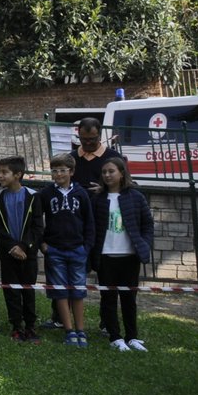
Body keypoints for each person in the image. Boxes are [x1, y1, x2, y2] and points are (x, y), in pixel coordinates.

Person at [90, 157, 153, 352]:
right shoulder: (98, 199)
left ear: (122, 173)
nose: (107, 175)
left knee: (129, 299)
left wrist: (144, 245)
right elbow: (91, 228)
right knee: (108, 298)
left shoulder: (135, 197)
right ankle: (115, 336)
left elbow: (147, 224)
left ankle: (132, 336)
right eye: (104, 172)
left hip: (130, 256)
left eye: (111, 171)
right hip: (106, 256)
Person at [38, 153, 95, 348]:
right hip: (55, 250)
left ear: (71, 172)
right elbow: (38, 221)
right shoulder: (46, 194)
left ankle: (81, 330)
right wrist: (42, 244)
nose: (58, 174)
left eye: (63, 170)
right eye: (55, 170)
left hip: (77, 249)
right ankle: (69, 330)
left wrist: (86, 247)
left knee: (78, 291)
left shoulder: (81, 193)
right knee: (60, 291)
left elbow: (89, 222)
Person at [0, 156, 43, 342]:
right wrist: (12, 247)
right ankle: (16, 326)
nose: (1, 176)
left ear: (18, 174)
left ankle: (30, 326)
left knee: (27, 289)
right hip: (8, 253)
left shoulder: (33, 196)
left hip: (28, 254)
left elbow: (37, 227)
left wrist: (23, 246)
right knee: (11, 290)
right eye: (0, 172)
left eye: (5, 172)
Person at [70, 117, 125, 195]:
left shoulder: (114, 157)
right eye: (84, 139)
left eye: (92, 139)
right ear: (79, 135)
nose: (88, 143)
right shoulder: (71, 158)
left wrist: (105, 190)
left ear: (99, 135)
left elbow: (126, 184)